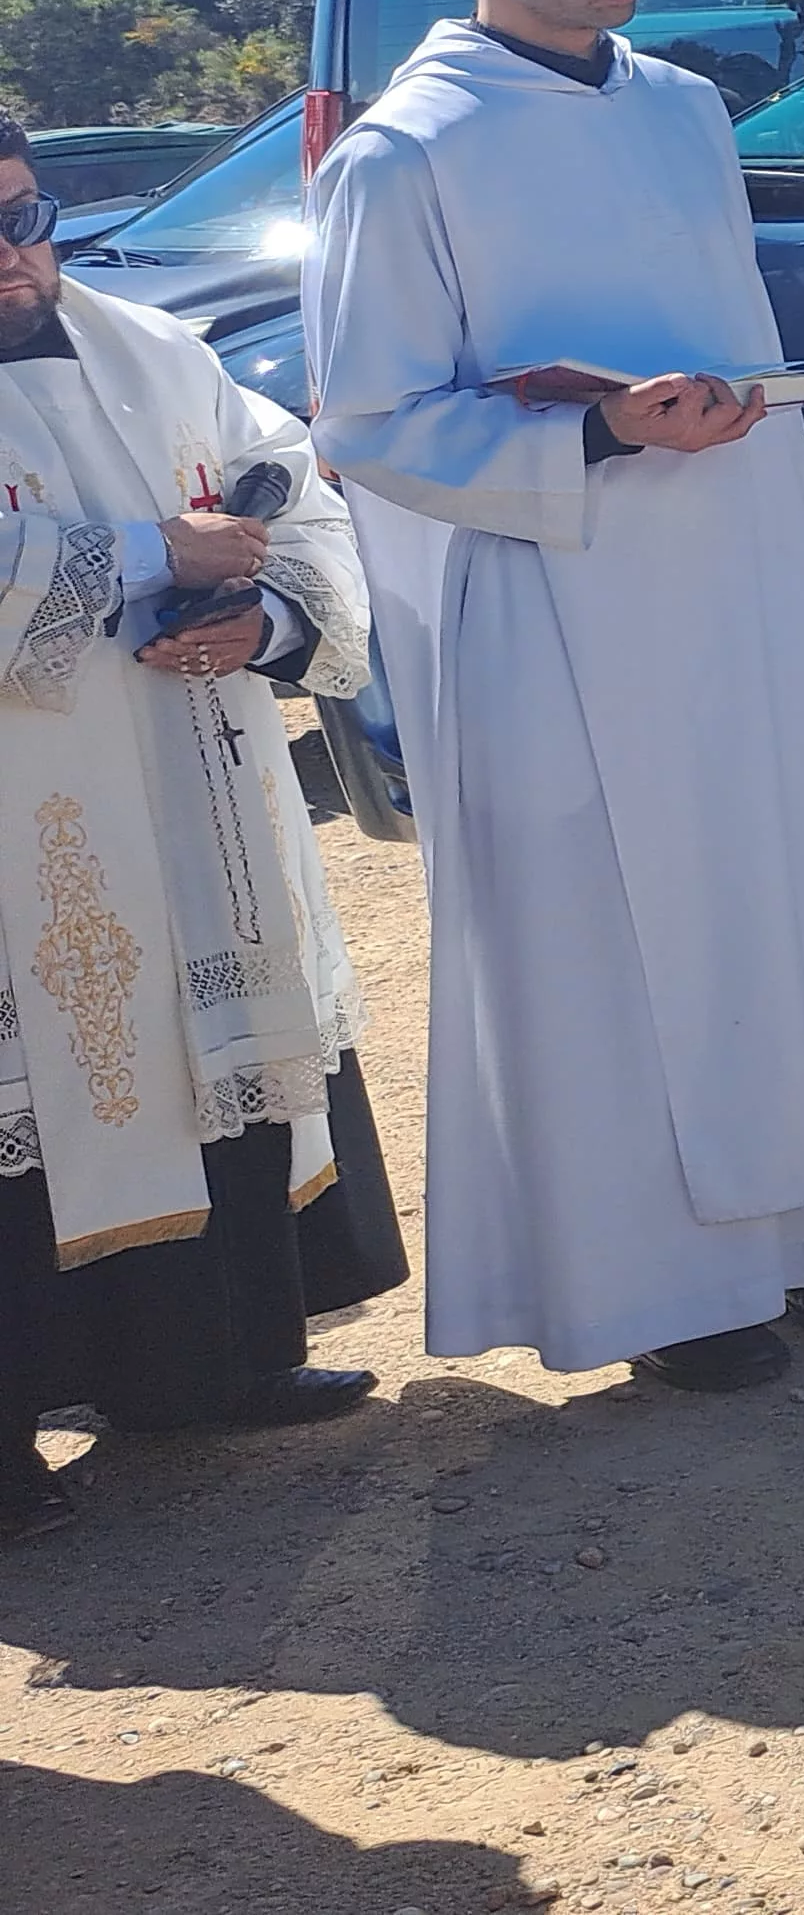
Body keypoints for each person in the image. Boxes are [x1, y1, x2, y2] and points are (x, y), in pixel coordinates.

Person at [301, 0, 804, 1397]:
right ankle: (676, 1291)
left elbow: (720, 307)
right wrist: (596, 430)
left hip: (730, 563)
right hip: (557, 599)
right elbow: (367, 420)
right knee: (615, 941)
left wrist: (739, 416)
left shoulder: (679, 110)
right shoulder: (404, 153)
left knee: (785, 902)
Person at [0, 117, 405, 1540]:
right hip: (21, 830)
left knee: (194, 1039)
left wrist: (265, 615)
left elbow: (293, 496)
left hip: (190, 786)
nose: (14, 258)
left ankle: (210, 1363)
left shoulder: (153, 349)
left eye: (27, 215)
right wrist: (137, 558)